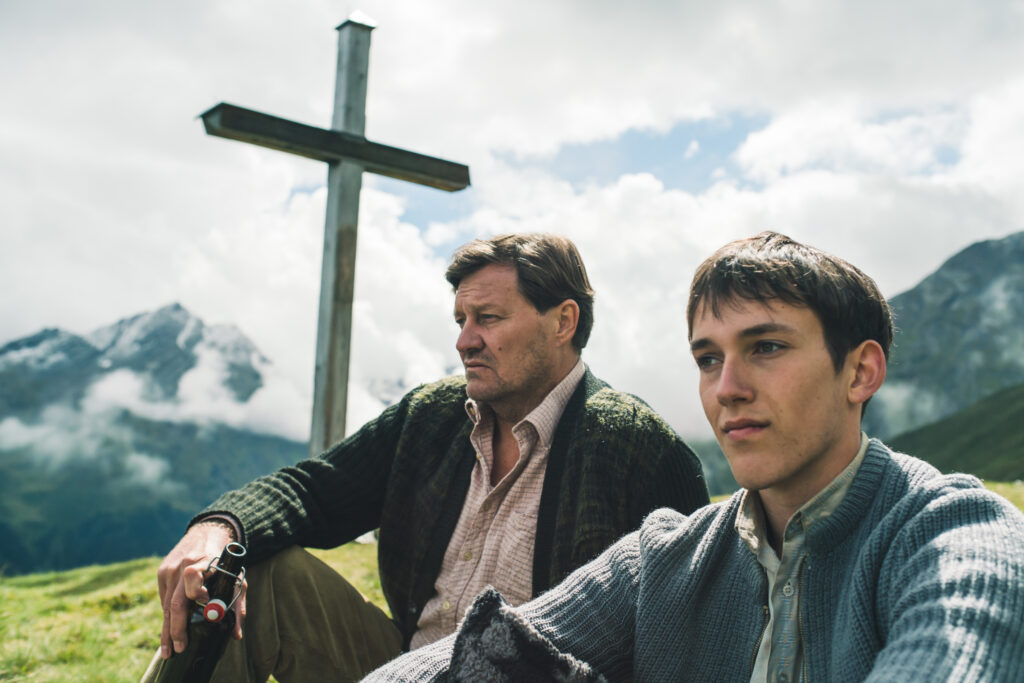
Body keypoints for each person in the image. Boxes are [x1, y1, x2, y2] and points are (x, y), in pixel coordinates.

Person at [368, 231, 1024, 682]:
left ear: (860, 372)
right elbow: (472, 656)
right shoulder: (665, 558)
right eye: (708, 358)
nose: (726, 387)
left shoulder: (956, 535)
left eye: (765, 346)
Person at [142, 233, 709, 682]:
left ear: (563, 321)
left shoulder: (636, 446)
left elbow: (686, 634)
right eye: (460, 321)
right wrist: (217, 529)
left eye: (487, 318)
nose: (464, 340)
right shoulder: (434, 415)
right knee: (254, 567)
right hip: (397, 669)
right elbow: (315, 491)